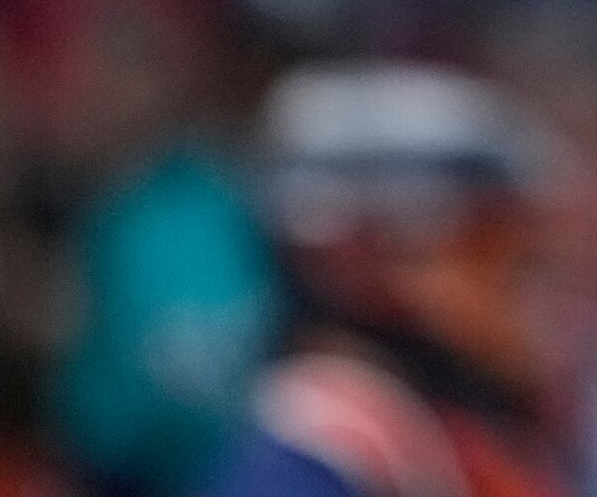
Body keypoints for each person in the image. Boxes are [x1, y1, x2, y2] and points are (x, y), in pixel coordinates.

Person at [205, 63, 573, 497]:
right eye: (509, 263)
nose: (536, 302)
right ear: (374, 255)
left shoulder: (436, 437)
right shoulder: (320, 448)